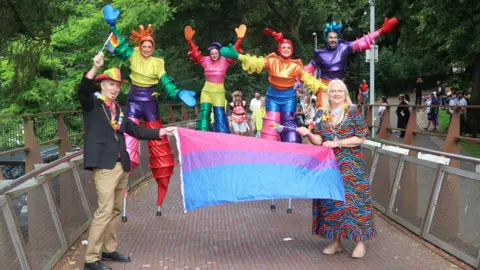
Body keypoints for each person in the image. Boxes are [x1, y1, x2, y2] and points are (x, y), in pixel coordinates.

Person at [80, 52, 175, 270]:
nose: (114, 89)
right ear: (102, 85)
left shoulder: (118, 109)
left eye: (117, 86)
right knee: (104, 210)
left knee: (114, 209)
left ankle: (109, 249)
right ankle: (91, 259)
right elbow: (83, 89)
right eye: (111, 84)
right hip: (103, 165)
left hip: (121, 163)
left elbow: (136, 130)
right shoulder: (92, 105)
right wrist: (94, 67)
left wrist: (162, 131)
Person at [103, 5, 196, 216]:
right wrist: (113, 26)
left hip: (151, 103)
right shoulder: (133, 54)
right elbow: (120, 47)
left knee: (160, 146)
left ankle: (160, 199)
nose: (146, 49)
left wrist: (178, 92)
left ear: (153, 47)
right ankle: (122, 186)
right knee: (127, 142)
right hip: (135, 101)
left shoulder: (158, 62)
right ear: (140, 46)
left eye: (149, 46)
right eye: (144, 46)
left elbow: (165, 82)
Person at [296, 79, 377, 259]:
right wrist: (308, 133)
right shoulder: (321, 113)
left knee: (354, 202)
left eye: (340, 91)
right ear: (328, 94)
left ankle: (359, 242)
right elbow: (318, 140)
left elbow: (361, 137)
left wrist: (338, 142)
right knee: (332, 202)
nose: (337, 94)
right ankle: (336, 242)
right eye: (333, 91)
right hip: (328, 165)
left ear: (345, 93)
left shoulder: (353, 112)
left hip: (351, 165)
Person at [220, 28, 327, 143]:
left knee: (288, 121)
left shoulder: (296, 66)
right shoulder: (272, 61)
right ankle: (270, 149)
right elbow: (255, 62)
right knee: (272, 122)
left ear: (292, 50)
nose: (286, 49)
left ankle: (292, 148)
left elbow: (309, 79)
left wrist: (328, 88)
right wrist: (238, 56)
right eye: (284, 47)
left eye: (289, 48)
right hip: (273, 96)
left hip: (289, 97)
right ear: (279, 49)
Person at [305, 16, 398, 107]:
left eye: (335, 37)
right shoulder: (320, 54)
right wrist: (292, 75)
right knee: (323, 116)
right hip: (324, 90)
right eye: (330, 37)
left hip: (339, 89)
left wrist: (380, 30)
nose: (333, 40)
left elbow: (362, 41)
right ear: (326, 38)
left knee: (342, 116)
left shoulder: (344, 47)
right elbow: (305, 71)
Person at [184, 25, 246, 133]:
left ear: (219, 53)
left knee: (220, 115)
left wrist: (239, 39)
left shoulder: (225, 61)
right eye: (212, 53)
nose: (214, 55)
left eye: (216, 53)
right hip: (207, 92)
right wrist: (190, 41)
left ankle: (223, 138)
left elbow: (233, 52)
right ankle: (201, 136)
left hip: (218, 92)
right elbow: (196, 54)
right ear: (210, 54)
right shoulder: (205, 60)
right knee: (204, 113)